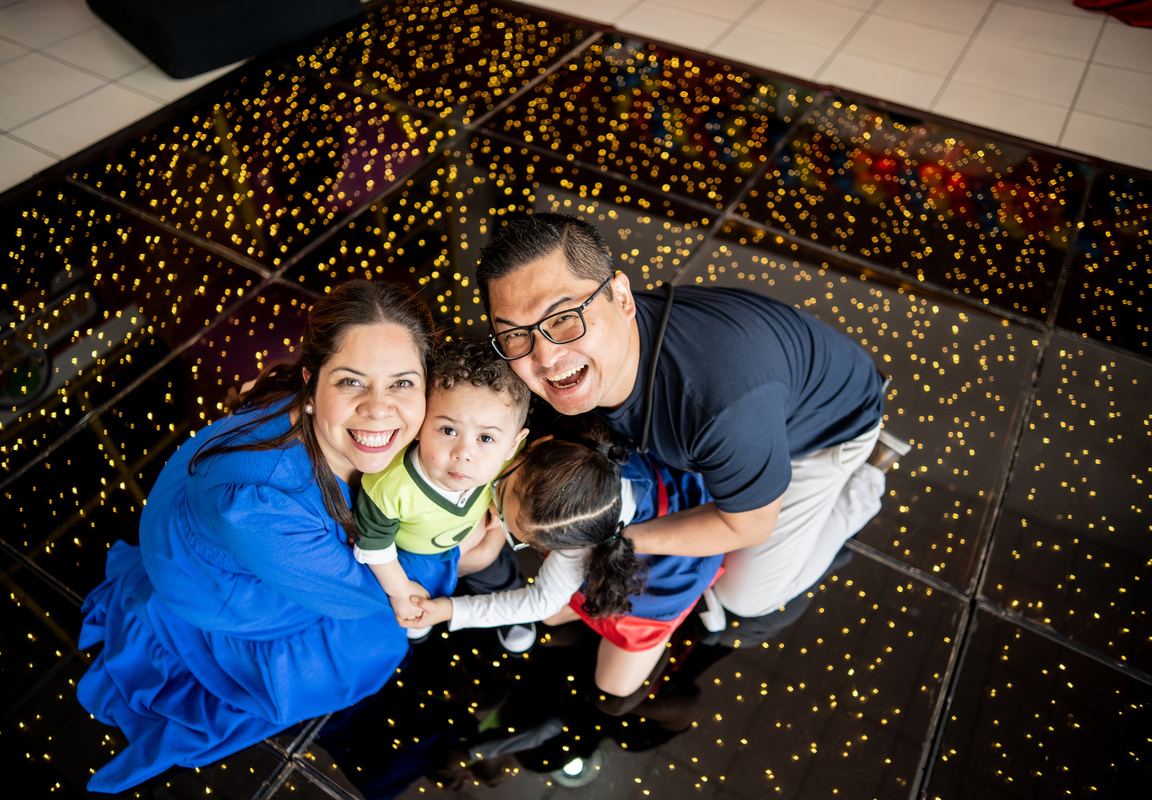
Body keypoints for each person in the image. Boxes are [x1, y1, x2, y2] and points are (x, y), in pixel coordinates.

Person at [75, 280, 459, 793]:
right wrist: (449, 555)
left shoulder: (329, 420)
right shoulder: (260, 508)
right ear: (312, 380)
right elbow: (361, 596)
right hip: (217, 582)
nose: (379, 408)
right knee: (378, 628)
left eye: (402, 383)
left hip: (214, 521)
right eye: (350, 382)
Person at [475, 213, 905, 623]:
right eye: (515, 333)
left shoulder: (718, 409)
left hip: (828, 430)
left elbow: (749, 525)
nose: (545, 357)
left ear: (621, 297)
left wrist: (619, 541)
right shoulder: (605, 340)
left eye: (564, 318)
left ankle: (867, 479)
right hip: (753, 406)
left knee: (745, 596)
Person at [404, 418, 724, 707]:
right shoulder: (584, 460)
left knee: (612, 693)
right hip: (629, 543)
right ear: (542, 445)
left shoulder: (581, 545)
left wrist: (450, 610)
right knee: (553, 619)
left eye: (499, 506)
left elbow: (539, 602)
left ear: (569, 548)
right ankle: (585, 606)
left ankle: (679, 626)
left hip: (663, 585)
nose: (492, 510)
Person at [353, 338, 531, 646]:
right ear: (421, 423)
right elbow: (375, 546)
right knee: (406, 589)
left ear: (511, 445)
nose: (464, 453)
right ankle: (418, 610)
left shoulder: (505, 461)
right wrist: (401, 590)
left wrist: (498, 510)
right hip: (414, 557)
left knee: (497, 571)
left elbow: (514, 483)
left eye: (486, 439)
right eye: (448, 430)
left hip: (472, 535)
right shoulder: (389, 486)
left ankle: (510, 607)